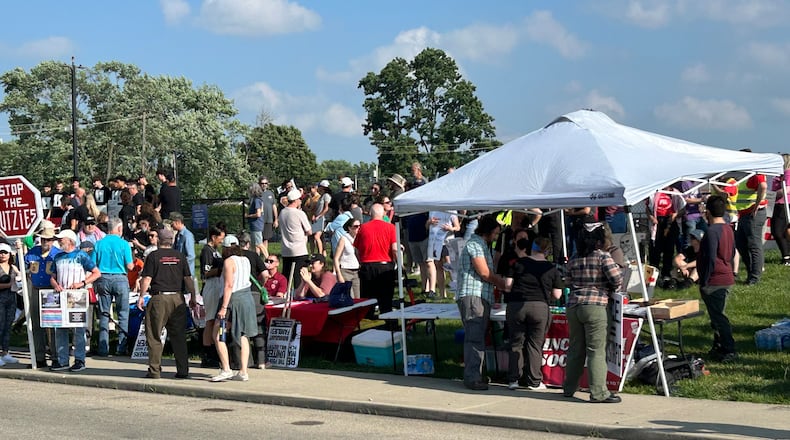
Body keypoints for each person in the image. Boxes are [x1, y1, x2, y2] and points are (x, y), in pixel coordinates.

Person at [563, 223, 623, 403]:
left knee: (575, 349)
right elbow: (617, 278)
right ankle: (598, 392)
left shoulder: (574, 258)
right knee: (596, 351)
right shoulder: (603, 257)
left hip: (574, 305)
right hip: (596, 305)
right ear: (599, 240)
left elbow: (567, 281)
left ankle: (568, 388)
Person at [503, 237, 563, 391]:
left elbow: (507, 286)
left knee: (516, 343)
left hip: (516, 305)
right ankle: (534, 381)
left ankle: (513, 380)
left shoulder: (517, 264)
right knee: (535, 345)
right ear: (547, 251)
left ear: (532, 248)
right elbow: (557, 295)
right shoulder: (551, 268)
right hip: (539, 306)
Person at [455, 215, 506, 391]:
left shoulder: (482, 245)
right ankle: (472, 377)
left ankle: (477, 374)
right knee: (474, 337)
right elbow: (484, 273)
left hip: (480, 296)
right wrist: (502, 283)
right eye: (495, 234)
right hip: (473, 296)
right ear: (488, 231)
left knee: (477, 337)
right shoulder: (475, 245)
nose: (495, 237)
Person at [137, 228, 197, 379]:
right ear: (171, 241)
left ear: (158, 240)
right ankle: (183, 370)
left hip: (159, 298)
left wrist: (141, 296)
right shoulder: (180, 256)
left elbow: (147, 278)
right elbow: (188, 278)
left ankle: (155, 371)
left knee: (154, 335)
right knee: (179, 336)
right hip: (178, 298)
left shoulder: (153, 256)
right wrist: (194, 296)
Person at [49, 229, 101, 372]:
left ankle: (79, 359)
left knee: (78, 329)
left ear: (70, 240)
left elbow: (97, 273)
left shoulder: (81, 255)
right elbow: (53, 275)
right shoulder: (57, 256)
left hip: (77, 296)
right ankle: (62, 360)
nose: (59, 241)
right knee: (60, 328)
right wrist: (55, 284)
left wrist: (81, 283)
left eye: (62, 239)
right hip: (61, 296)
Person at [211, 241, 258, 382]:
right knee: (244, 334)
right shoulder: (246, 260)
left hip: (233, 300)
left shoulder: (228, 262)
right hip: (247, 298)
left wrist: (224, 307)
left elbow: (229, 285)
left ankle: (226, 369)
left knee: (218, 333)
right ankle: (243, 371)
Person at [698, 195, 737, 363]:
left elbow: (710, 258)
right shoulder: (728, 228)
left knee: (719, 317)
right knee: (716, 315)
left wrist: (704, 279)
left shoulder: (712, 232)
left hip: (715, 279)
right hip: (726, 276)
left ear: (708, 212)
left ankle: (729, 348)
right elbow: (733, 251)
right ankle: (718, 345)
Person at [21, 220, 61, 368]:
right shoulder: (33, 252)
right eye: (44, 239)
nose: (46, 242)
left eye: (49, 239)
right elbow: (22, 264)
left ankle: (56, 357)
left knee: (53, 325)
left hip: (51, 292)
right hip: (36, 289)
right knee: (36, 325)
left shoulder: (58, 254)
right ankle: (39, 357)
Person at [93, 217, 134, 356]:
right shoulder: (124, 244)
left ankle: (103, 348)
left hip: (103, 278)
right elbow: (129, 265)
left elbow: (93, 264)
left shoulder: (99, 244)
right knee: (123, 313)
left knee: (104, 314)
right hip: (120, 278)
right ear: (119, 229)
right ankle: (121, 347)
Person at [356, 203, 398, 316]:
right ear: (383, 213)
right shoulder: (390, 227)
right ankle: (389, 325)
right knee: (386, 300)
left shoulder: (363, 228)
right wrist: (399, 264)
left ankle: (368, 324)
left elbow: (357, 248)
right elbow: (395, 249)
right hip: (385, 266)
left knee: (367, 300)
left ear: (370, 213)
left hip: (367, 266)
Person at [198, 224, 225, 368]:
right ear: (213, 237)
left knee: (214, 319)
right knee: (210, 320)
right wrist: (221, 269)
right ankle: (207, 353)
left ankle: (214, 350)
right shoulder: (207, 251)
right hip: (211, 285)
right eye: (220, 238)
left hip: (217, 285)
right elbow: (205, 273)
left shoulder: (215, 251)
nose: (221, 241)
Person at [278, 189, 311, 282]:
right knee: (299, 279)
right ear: (296, 200)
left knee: (286, 278)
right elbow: (309, 231)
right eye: (300, 199)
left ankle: (285, 295)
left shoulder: (282, 213)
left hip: (286, 249)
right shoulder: (299, 213)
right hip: (299, 250)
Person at [0, 242, 22, 366]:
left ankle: (5, 352)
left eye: (5, 252)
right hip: (1, 298)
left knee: (8, 325)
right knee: (0, 325)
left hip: (11, 298)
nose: (2, 255)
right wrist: (8, 285)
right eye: (0, 252)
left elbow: (20, 277)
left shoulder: (13, 267)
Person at [770, 153, 790, 266]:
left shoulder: (787, 173)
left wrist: (771, 195)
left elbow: (786, 190)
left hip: (783, 204)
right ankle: (786, 256)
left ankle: (786, 256)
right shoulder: (779, 174)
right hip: (777, 204)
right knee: (780, 231)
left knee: (778, 231)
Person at [334, 217, 361, 299]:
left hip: (357, 271)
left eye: (360, 226)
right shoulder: (344, 239)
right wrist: (338, 274)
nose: (358, 228)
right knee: (350, 297)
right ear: (349, 228)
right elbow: (336, 258)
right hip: (345, 271)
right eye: (356, 226)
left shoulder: (359, 239)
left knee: (358, 298)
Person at [170, 212, 196, 278]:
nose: (171, 226)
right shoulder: (177, 235)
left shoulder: (187, 236)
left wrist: (180, 264)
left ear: (178, 222)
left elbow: (191, 256)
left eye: (172, 223)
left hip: (186, 274)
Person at [257, 176, 278, 255]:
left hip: (268, 220)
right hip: (259, 220)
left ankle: (265, 255)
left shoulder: (270, 193)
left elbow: (274, 206)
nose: (264, 185)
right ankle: (258, 256)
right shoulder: (257, 194)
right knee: (258, 239)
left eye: (266, 183)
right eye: (262, 183)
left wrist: (276, 219)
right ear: (259, 184)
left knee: (266, 239)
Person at [245, 183, 266, 256]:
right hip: (255, 225)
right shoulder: (257, 200)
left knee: (259, 244)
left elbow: (258, 214)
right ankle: (257, 259)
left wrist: (248, 216)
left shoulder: (257, 200)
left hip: (256, 225)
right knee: (255, 245)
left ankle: (268, 258)